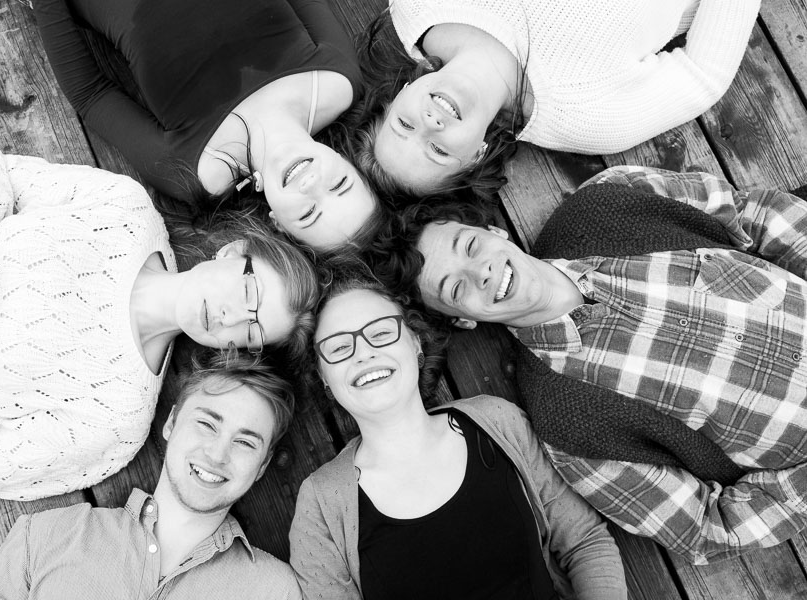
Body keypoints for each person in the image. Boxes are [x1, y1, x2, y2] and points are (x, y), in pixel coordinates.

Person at [371, 165, 807, 564]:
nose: (479, 272)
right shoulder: (568, 425)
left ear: (494, 231)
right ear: (463, 320)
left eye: (469, 246)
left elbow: (752, 214)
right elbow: (704, 529)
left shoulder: (609, 198)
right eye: (455, 288)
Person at [0, 148, 319, 501]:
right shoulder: (125, 209)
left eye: (251, 331)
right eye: (248, 292)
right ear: (232, 252)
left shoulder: (119, 417)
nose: (232, 317)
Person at [289, 278, 626, 599]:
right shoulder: (320, 503)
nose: (363, 353)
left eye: (381, 332)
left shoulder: (498, 423)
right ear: (324, 376)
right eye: (339, 347)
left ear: (415, 342)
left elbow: (584, 542)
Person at [33, 0, 384, 252]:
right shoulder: (335, 81)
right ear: (352, 163)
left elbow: (91, 94)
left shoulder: (195, 171)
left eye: (308, 214)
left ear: (277, 223)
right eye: (339, 184)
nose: (312, 185)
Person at [0, 350, 302, 599]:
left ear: (262, 466)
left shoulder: (276, 592)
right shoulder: (44, 538)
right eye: (206, 424)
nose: (217, 454)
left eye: (245, 442)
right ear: (171, 423)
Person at [351, 0, 760, 201]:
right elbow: (701, 74)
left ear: (399, 96)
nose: (429, 123)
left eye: (404, 125)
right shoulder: (584, 116)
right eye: (437, 151)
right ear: (477, 155)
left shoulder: (417, 6)